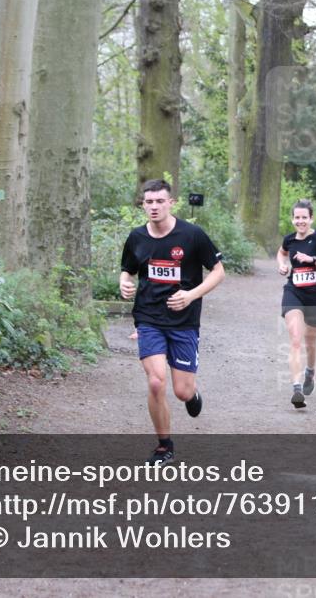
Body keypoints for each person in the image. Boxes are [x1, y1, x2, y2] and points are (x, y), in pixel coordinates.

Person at [120, 179, 225, 464]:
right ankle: (164, 445)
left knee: (181, 391)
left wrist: (191, 295)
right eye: (148, 202)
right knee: (156, 382)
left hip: (184, 321)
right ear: (143, 204)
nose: (153, 206)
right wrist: (124, 283)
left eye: (159, 201)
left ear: (171, 203)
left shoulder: (192, 235)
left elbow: (218, 271)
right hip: (149, 318)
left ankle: (192, 394)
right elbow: (127, 271)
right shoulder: (136, 237)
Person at [276, 199, 316, 409]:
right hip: (294, 292)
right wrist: (282, 265)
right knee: (295, 338)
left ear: (311, 218)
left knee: (310, 341)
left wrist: (312, 260)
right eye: (297, 217)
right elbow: (282, 252)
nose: (300, 221)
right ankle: (297, 389)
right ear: (292, 219)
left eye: (304, 217)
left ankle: (310, 373)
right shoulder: (289, 239)